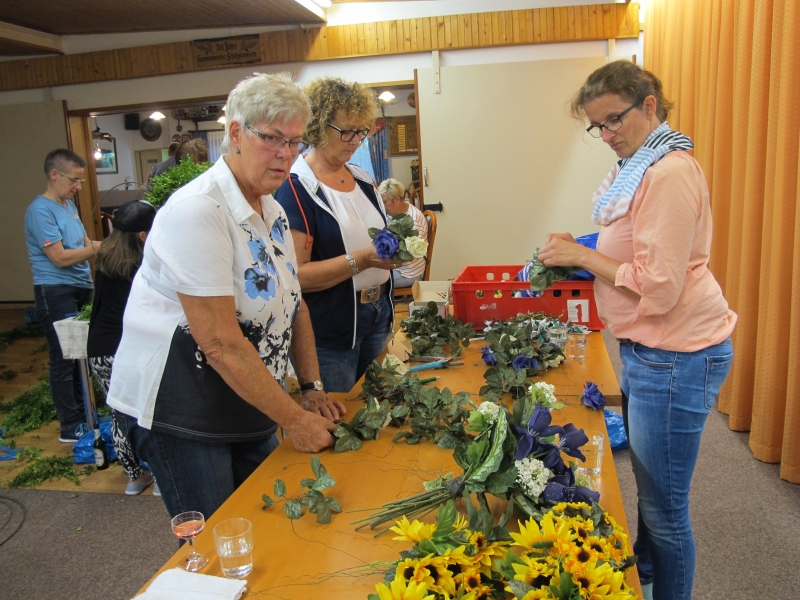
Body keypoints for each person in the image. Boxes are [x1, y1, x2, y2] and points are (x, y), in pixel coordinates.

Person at [538, 60, 737, 600]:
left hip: (674, 355)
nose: (606, 135)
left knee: (665, 511)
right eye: (596, 126)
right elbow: (633, 245)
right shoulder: (642, 163)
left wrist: (583, 255)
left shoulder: (667, 174)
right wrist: (582, 248)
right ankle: (644, 576)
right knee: (653, 494)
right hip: (653, 350)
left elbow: (661, 288)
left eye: (614, 120)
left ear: (649, 105)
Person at [106, 73, 345, 519]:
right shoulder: (198, 211)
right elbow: (218, 342)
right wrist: (295, 420)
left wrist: (311, 388)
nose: (286, 154)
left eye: (294, 142)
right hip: (184, 408)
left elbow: (293, 304)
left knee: (265, 521)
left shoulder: (272, 209)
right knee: (220, 534)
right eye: (273, 138)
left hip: (246, 395)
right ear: (235, 134)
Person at [275, 77, 397, 393]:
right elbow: (297, 276)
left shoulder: (363, 179)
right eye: (346, 131)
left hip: (377, 315)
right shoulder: (296, 189)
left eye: (361, 131)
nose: (355, 141)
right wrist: (364, 259)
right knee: (339, 415)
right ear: (317, 126)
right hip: (331, 330)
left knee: (377, 406)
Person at [24, 149, 102, 443]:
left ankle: (87, 414)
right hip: (56, 290)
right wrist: (98, 248)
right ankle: (70, 425)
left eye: (81, 181)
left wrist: (111, 246)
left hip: (82, 285)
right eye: (74, 180)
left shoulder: (68, 206)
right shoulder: (39, 211)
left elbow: (84, 243)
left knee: (83, 354)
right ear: (54, 175)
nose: (78, 187)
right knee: (64, 357)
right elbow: (58, 257)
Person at [87, 200, 159, 496]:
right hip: (128, 349)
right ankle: (162, 477)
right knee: (150, 413)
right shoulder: (140, 266)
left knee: (119, 412)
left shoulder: (105, 256)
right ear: (143, 236)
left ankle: (134, 477)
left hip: (98, 348)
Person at [379, 178, 428, 287]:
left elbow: (409, 256)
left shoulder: (413, 219)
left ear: (396, 199)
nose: (382, 206)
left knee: (371, 282)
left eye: (384, 202)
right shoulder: (393, 213)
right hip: (396, 267)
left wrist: (380, 258)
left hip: (409, 273)